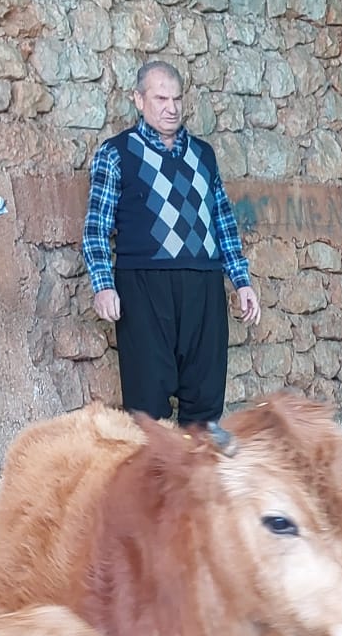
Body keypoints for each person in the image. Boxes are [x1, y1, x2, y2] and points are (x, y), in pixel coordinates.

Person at [82, 60, 261, 426]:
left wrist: (241, 281)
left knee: (206, 401)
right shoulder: (116, 154)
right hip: (143, 287)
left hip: (204, 284)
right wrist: (103, 286)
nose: (171, 108)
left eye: (177, 99)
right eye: (161, 99)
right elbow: (96, 227)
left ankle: (198, 464)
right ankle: (158, 465)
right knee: (147, 406)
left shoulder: (203, 155)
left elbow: (223, 222)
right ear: (138, 99)